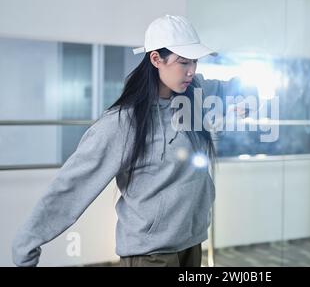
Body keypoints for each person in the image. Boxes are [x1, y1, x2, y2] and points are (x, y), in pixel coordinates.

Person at [12, 15, 247, 267]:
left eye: (195, 62)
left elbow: (235, 89)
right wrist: (27, 244)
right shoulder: (121, 123)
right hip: (151, 254)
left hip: (191, 244)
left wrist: (244, 99)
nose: (192, 70)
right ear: (156, 59)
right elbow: (71, 186)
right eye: (183, 62)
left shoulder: (194, 92)